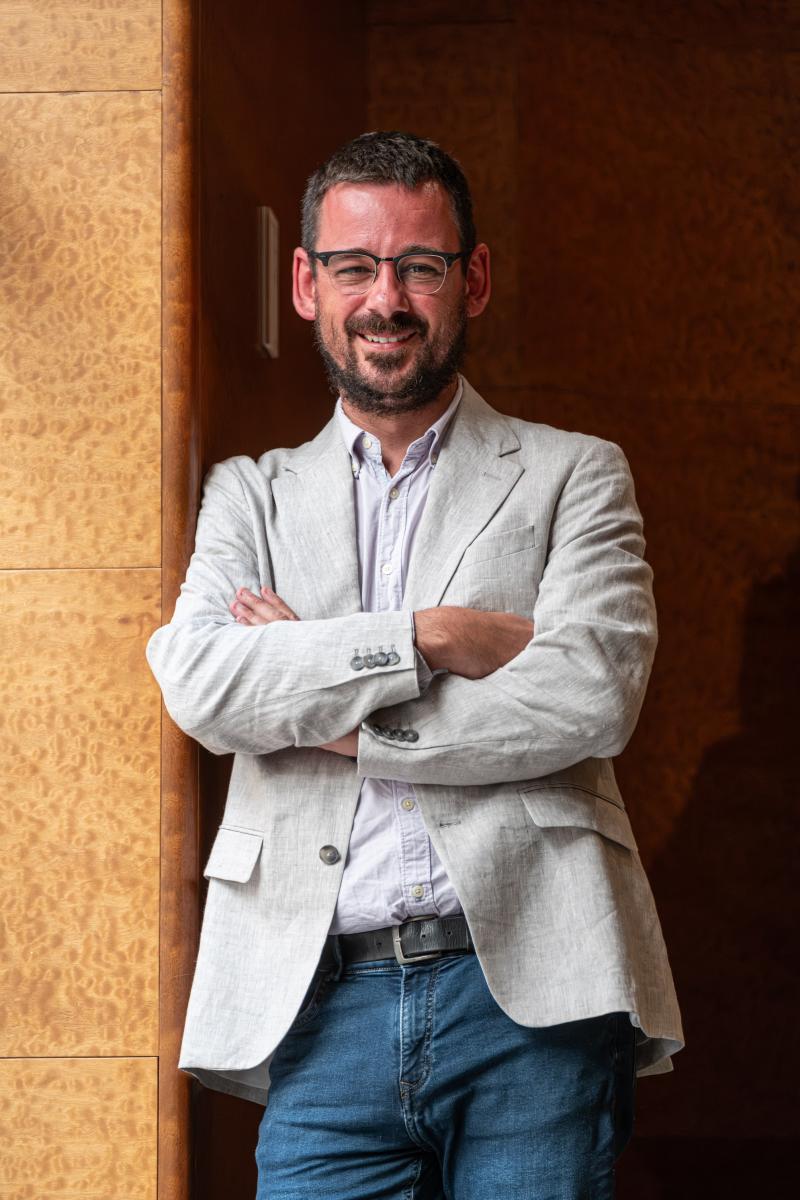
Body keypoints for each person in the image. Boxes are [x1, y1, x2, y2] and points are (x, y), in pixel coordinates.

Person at [146, 130, 684, 1199]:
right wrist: (428, 637)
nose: (383, 299)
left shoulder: (574, 475)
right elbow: (205, 685)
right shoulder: (248, 494)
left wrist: (332, 712)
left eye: (418, 267)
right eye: (353, 266)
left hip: (530, 991)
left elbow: (588, 696)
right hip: (318, 998)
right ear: (306, 284)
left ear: (470, 280)